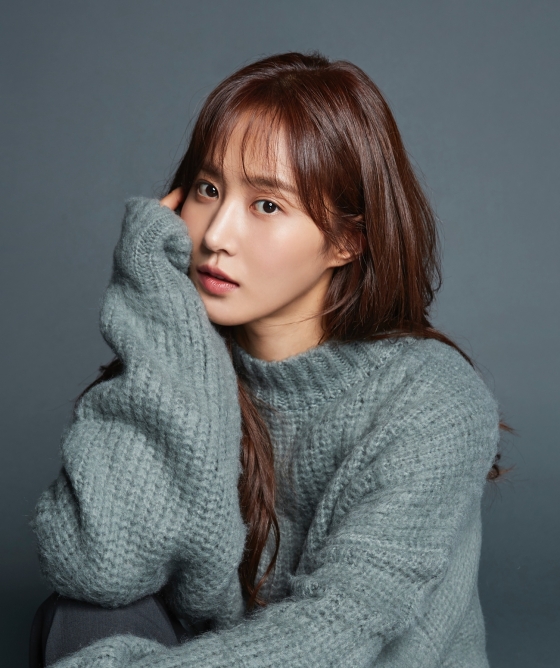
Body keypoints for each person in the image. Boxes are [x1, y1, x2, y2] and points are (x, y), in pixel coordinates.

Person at [29, 51, 507, 668]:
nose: (215, 235)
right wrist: (155, 306)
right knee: (81, 613)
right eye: (208, 190)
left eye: (267, 205)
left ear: (346, 241)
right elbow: (97, 565)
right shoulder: (183, 363)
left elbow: (341, 625)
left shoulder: (431, 398)